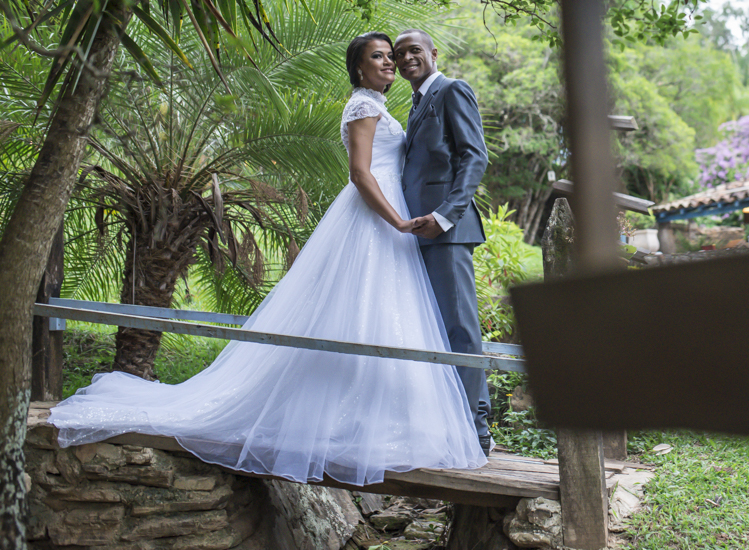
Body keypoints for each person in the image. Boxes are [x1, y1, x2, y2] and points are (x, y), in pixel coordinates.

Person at [47, 32, 486, 484]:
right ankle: (372, 420)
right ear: (358, 68)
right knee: (367, 313)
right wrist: (396, 220)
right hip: (384, 218)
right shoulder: (365, 106)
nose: (392, 61)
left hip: (404, 220)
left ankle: (402, 419)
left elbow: (454, 157)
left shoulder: (406, 101)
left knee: (390, 316)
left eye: (393, 55)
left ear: (432, 55)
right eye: (381, 56)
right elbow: (360, 172)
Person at [393, 29, 493, 455]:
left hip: (447, 232)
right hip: (418, 233)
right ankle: (444, 424)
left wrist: (444, 216)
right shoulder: (416, 105)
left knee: (460, 328)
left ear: (433, 53)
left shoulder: (453, 91)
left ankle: (477, 430)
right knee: (433, 328)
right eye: (399, 54)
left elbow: (475, 156)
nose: (406, 58)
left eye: (414, 50)